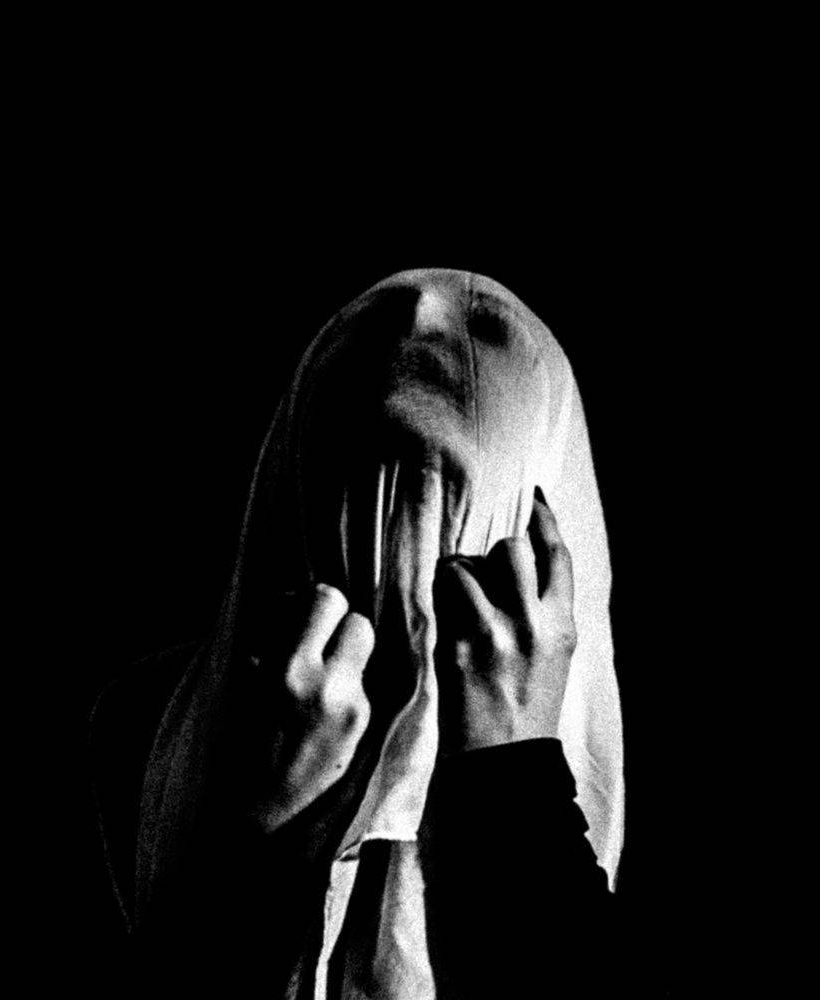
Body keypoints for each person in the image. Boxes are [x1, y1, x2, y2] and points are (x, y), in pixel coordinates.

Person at [91, 270, 629, 997]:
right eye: (357, 535)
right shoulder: (138, 730)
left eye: (465, 561)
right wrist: (248, 840)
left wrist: (514, 790)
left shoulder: (611, 781)